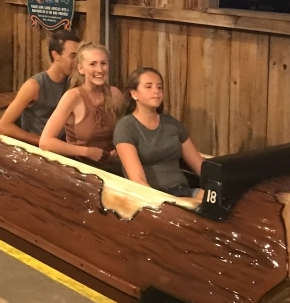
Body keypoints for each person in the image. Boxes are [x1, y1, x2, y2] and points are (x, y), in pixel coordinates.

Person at [113, 67, 205, 199]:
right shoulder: (126, 127)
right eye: (148, 86)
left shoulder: (172, 124)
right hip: (152, 198)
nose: (156, 91)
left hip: (183, 190)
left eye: (159, 87)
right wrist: (171, 202)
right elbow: (138, 181)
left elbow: (200, 167)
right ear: (134, 94)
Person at [38, 43, 123, 164]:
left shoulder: (115, 94)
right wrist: (87, 152)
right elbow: (46, 142)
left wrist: (120, 148)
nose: (99, 69)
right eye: (92, 64)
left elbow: (126, 130)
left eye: (103, 63)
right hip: (79, 166)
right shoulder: (72, 97)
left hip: (111, 165)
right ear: (81, 68)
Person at [0, 29, 79, 145]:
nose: (77, 62)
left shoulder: (74, 82)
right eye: (73, 56)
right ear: (55, 55)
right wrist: (43, 142)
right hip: (37, 149)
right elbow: (3, 126)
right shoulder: (34, 86)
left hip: (64, 146)